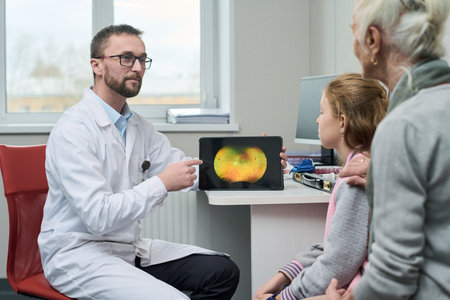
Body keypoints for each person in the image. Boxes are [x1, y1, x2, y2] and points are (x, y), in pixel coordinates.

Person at [38, 24, 241, 300]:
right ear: (96, 65)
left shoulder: (138, 127)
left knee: (223, 271)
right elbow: (99, 217)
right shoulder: (73, 130)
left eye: (142, 59)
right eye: (126, 58)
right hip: (79, 253)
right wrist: (161, 184)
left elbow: (187, 170)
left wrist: (256, 164)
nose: (137, 67)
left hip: (125, 249)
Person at [325, 0, 450, 299]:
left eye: (353, 31)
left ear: (372, 40)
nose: (353, 43)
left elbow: (393, 276)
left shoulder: (402, 126)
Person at [253, 73, 388, 300]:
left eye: (322, 112)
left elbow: (337, 264)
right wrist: (286, 274)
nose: (317, 120)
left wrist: (283, 297)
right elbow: (334, 246)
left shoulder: (354, 182)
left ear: (342, 122)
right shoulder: (361, 169)